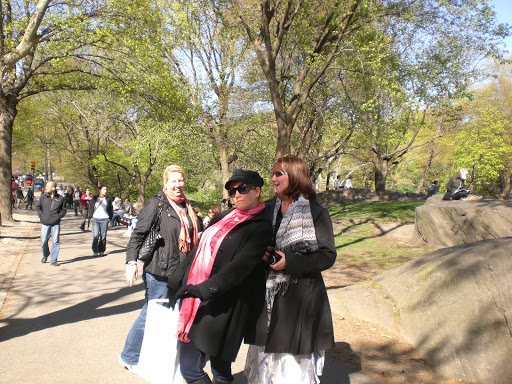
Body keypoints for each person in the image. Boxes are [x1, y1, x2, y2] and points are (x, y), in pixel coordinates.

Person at [167, 168, 272, 384]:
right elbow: (199, 248)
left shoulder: (261, 227)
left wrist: (203, 290)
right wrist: (177, 278)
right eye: (232, 191)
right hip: (199, 298)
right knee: (217, 367)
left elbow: (239, 268)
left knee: (201, 368)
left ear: (258, 191)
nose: (236, 195)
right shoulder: (225, 216)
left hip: (226, 305)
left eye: (242, 189)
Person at [244, 155, 337, 384]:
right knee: (265, 362)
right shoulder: (265, 209)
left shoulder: (316, 212)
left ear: (294, 176)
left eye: (279, 174)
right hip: (266, 298)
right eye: (273, 173)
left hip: (300, 300)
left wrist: (291, 262)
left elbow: (328, 255)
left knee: (292, 366)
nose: (272, 178)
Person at [119, 165, 202, 373]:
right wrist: (131, 263)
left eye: (180, 180)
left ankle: (164, 355)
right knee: (151, 313)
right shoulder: (157, 204)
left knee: (172, 314)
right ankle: (129, 356)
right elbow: (138, 234)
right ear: (165, 183)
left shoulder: (188, 207)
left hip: (183, 271)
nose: (178, 185)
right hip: (160, 271)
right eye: (173, 181)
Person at [36, 181, 67, 266]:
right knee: (43, 240)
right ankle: (45, 254)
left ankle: (53, 260)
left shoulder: (60, 198)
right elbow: (38, 207)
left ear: (53, 188)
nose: (46, 188)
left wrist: (59, 216)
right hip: (45, 222)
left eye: (47, 186)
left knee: (55, 241)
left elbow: (64, 209)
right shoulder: (43, 197)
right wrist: (41, 216)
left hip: (55, 223)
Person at [88, 185, 113, 256]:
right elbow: (91, 207)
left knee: (103, 236)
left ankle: (101, 250)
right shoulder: (95, 198)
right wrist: (90, 217)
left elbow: (110, 209)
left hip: (104, 219)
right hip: (95, 218)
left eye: (106, 189)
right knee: (95, 235)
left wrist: (110, 218)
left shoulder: (108, 199)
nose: (105, 191)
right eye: (104, 189)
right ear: (99, 190)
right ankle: (95, 250)